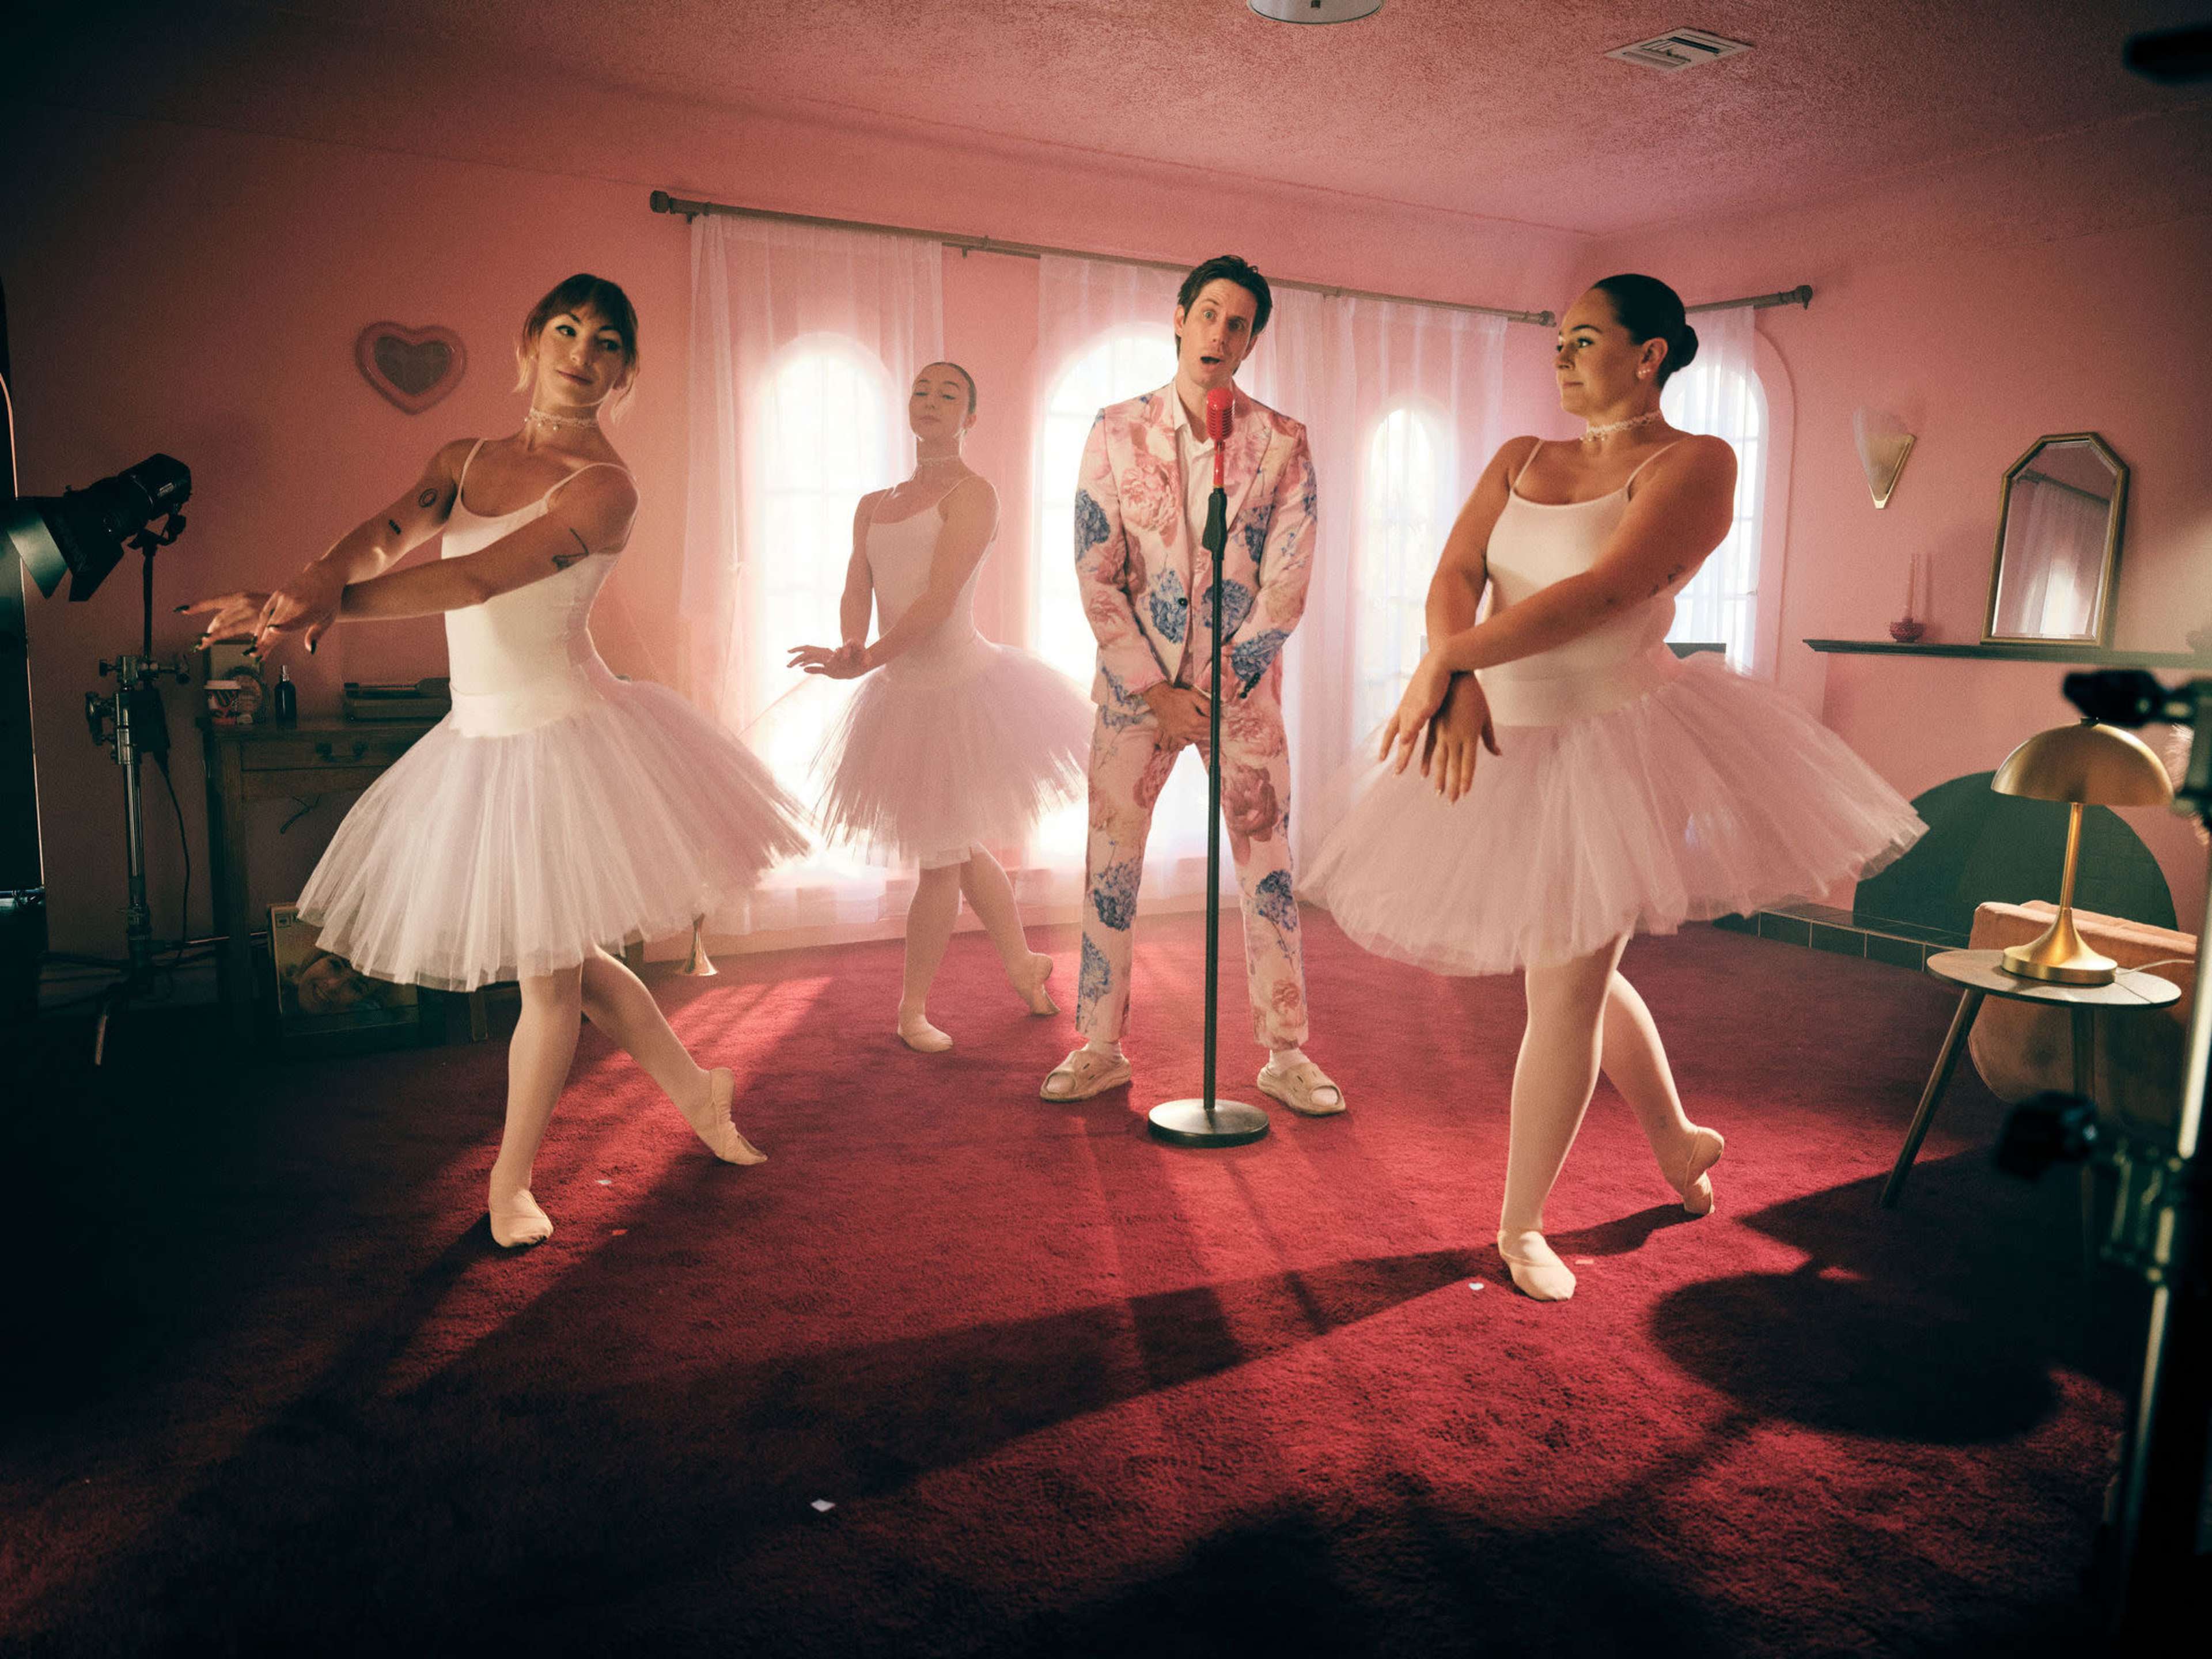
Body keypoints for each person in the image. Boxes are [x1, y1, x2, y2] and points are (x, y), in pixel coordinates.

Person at [1302, 274, 1925, 1301]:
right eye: (1557, 338)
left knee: (1568, 976)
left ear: (1650, 354)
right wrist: (1455, 670)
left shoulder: (1700, 463)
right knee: (1568, 966)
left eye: (1583, 338)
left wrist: (1447, 666)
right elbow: (1455, 568)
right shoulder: (1519, 458)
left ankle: (1520, 1227)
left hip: (1617, 741)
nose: (1561, 354)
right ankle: (1679, 1143)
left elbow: (1604, 594)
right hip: (1504, 729)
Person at [183, 274, 807, 1248]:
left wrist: (300, 607)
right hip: (478, 739)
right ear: (528, 342)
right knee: (577, 963)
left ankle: (509, 1186)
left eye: (606, 343)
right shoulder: (463, 458)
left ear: (625, 371)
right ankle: (701, 1089)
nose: (581, 353)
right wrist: (304, 583)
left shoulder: (606, 489)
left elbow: (474, 579)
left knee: (550, 977)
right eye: (566, 329)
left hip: (566, 735)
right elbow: (386, 540)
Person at [1039, 255, 1344, 1117]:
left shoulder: (1283, 441)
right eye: (1208, 313)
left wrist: (1221, 682)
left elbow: (1289, 578)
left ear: (1251, 341)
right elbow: (1095, 572)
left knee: (1270, 871)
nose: (1219, 332)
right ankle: (1099, 1046)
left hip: (1240, 696)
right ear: (1179, 318)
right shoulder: (1112, 429)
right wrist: (1153, 687)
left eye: (1238, 322)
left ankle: (1287, 1054)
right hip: (1136, 694)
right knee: (1110, 865)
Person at [789, 362, 1090, 1051]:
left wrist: (869, 658)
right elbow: (857, 584)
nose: (930, 401)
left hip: (962, 687)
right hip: (902, 689)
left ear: (971, 417)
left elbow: (937, 599)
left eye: (949, 393)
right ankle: (1022, 965)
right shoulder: (873, 502)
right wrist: (848, 643)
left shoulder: (974, 494)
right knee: (954, 842)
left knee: (938, 857)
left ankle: (911, 1011)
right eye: (921, 391)